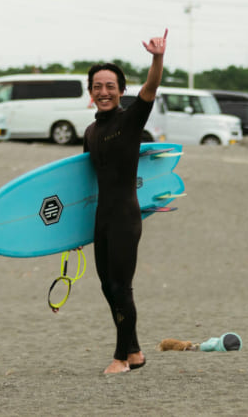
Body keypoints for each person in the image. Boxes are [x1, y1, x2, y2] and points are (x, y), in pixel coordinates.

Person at [83, 29, 167, 374]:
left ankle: (120, 358)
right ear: (90, 93)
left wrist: (157, 58)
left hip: (124, 218)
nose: (104, 92)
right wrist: (70, 234)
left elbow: (151, 89)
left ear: (121, 90)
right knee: (107, 286)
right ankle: (134, 352)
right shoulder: (90, 132)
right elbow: (83, 186)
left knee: (121, 286)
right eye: (97, 87)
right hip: (101, 217)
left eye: (110, 86)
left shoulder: (129, 120)